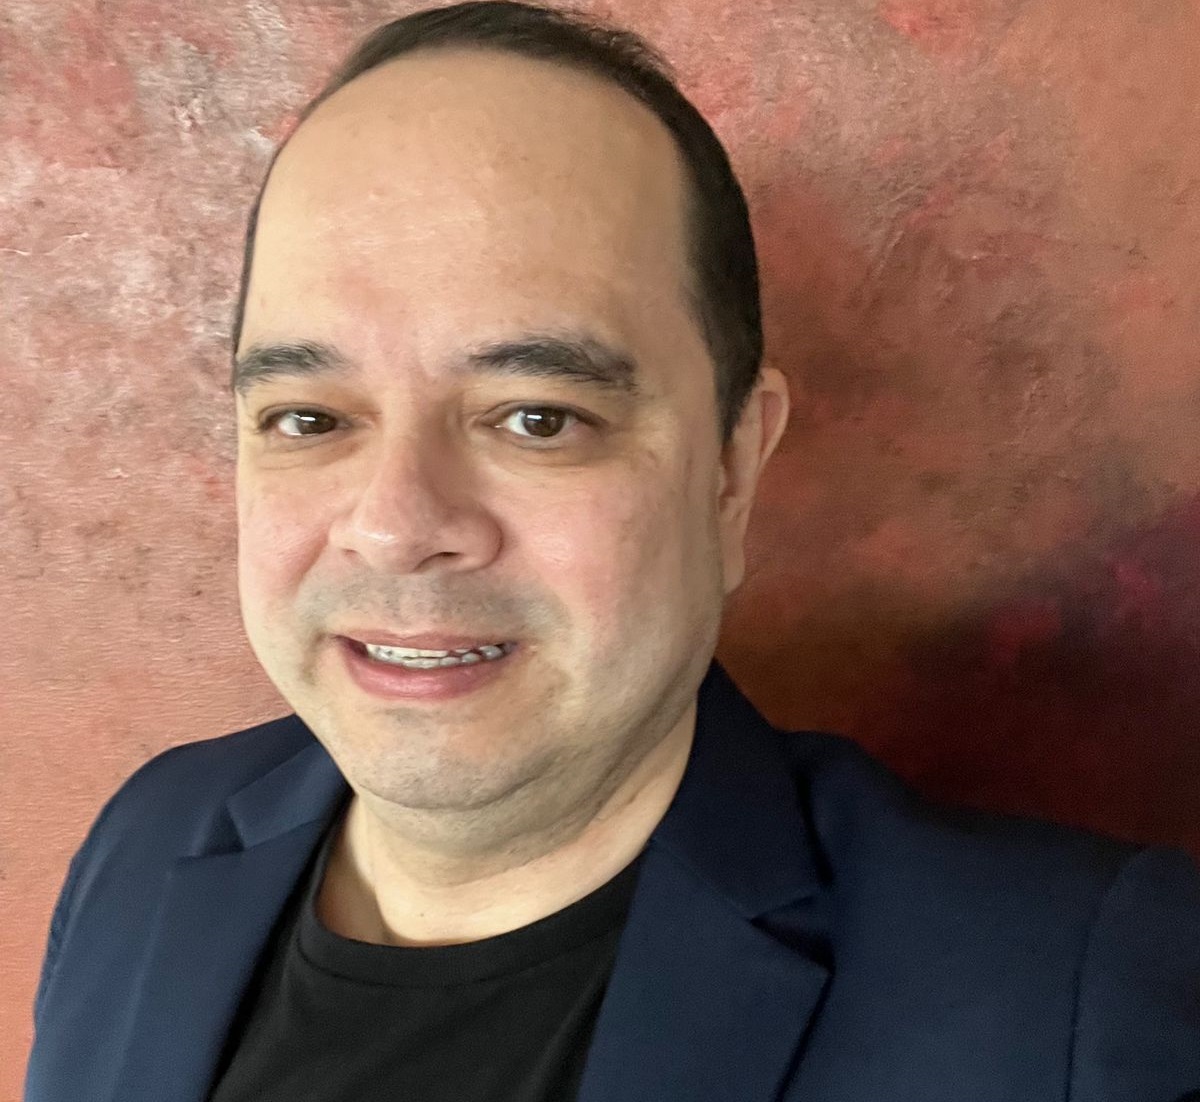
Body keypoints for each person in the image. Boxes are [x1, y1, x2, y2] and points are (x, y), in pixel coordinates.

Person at [24, 3, 1200, 1100]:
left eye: (538, 416)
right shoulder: (148, 843)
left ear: (731, 471)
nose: (394, 524)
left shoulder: (1081, 1004)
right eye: (309, 418)